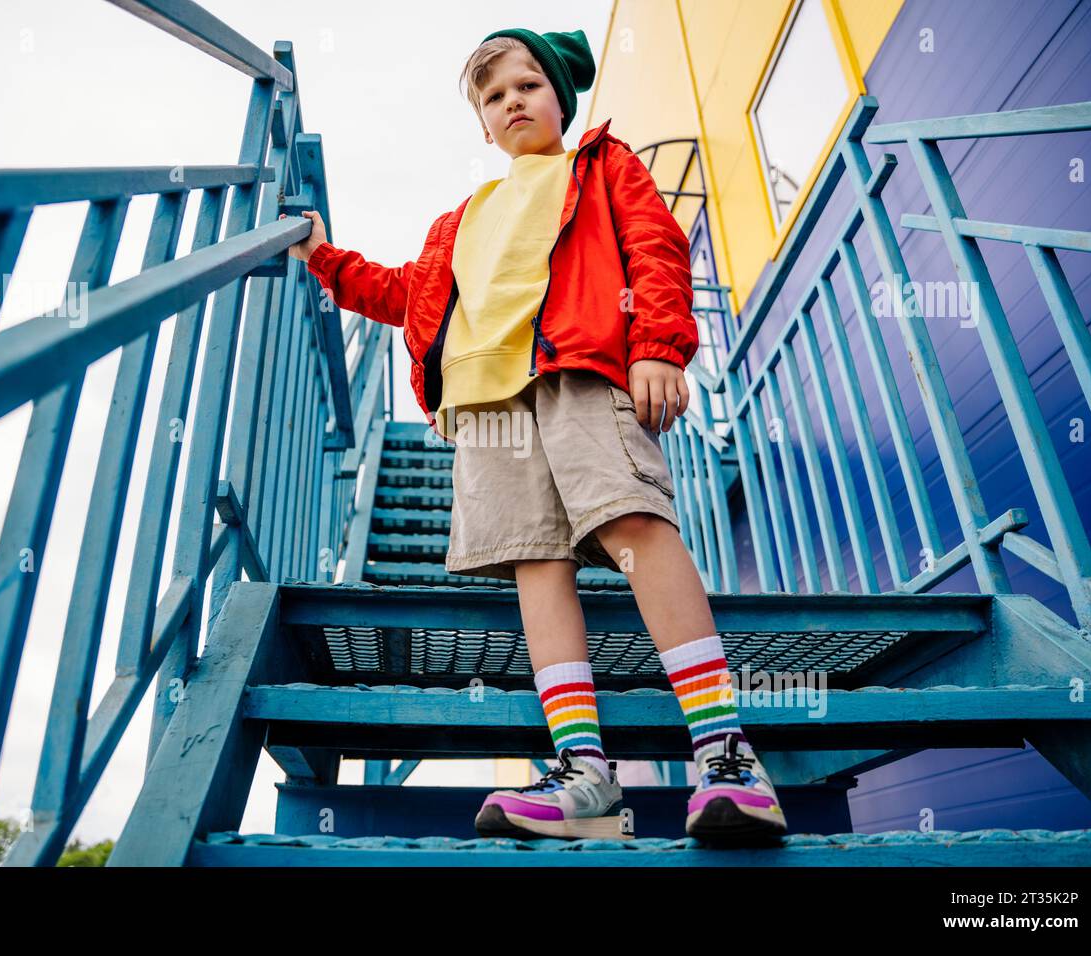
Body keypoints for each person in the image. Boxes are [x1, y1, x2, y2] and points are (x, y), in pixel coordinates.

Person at [283, 27, 787, 847]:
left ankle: (725, 751)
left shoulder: (597, 164)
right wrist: (319, 254)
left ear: (560, 97)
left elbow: (657, 248)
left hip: (581, 370)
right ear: (483, 126)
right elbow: (403, 293)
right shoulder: (464, 220)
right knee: (535, 563)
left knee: (632, 525)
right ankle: (583, 771)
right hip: (487, 404)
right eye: (493, 96)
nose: (512, 101)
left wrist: (658, 346)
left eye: (527, 85)